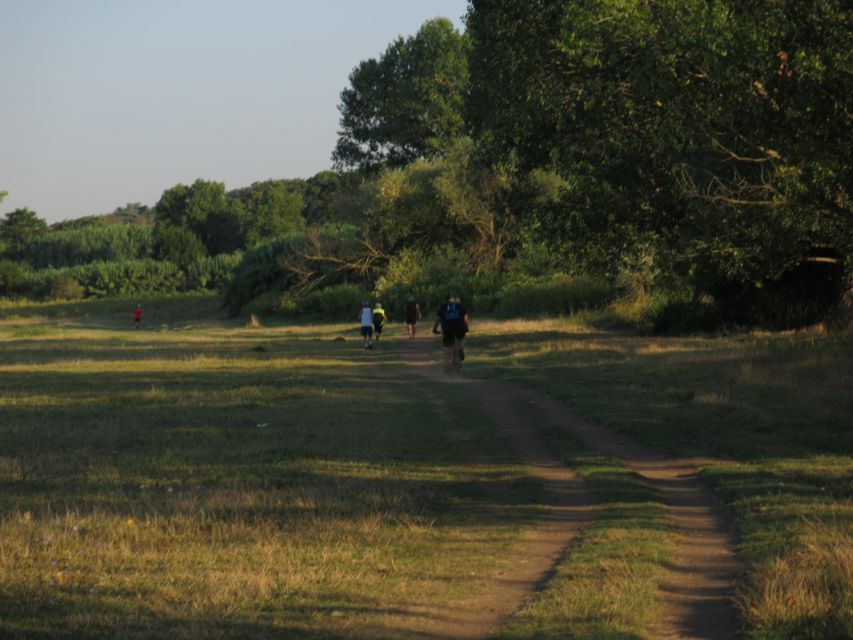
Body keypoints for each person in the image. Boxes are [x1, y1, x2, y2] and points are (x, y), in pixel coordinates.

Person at [432, 294, 469, 372]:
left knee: (447, 347)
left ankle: (447, 365)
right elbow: (465, 319)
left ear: (446, 299)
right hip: (459, 327)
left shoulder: (442, 307)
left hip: (447, 328)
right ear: (455, 299)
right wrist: (466, 327)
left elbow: (438, 320)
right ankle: (460, 350)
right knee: (461, 339)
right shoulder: (460, 306)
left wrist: (434, 329)